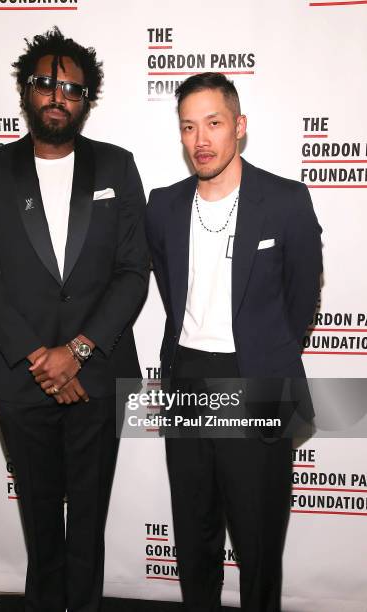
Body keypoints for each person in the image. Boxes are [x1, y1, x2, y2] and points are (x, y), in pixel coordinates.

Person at [0, 27, 148, 612]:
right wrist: (42, 358)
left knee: (88, 523)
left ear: (87, 98)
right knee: (41, 528)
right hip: (25, 379)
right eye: (45, 83)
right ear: (25, 89)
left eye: (71, 87)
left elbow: (133, 271)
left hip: (97, 375)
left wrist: (78, 352)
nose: (56, 95)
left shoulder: (117, 166)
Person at [145, 72, 322, 611]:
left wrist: (265, 354)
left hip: (260, 380)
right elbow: (171, 294)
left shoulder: (287, 201)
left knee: (259, 543)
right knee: (193, 539)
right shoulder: (163, 206)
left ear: (238, 127)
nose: (201, 139)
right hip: (188, 380)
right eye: (189, 127)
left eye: (214, 123)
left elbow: (301, 303)